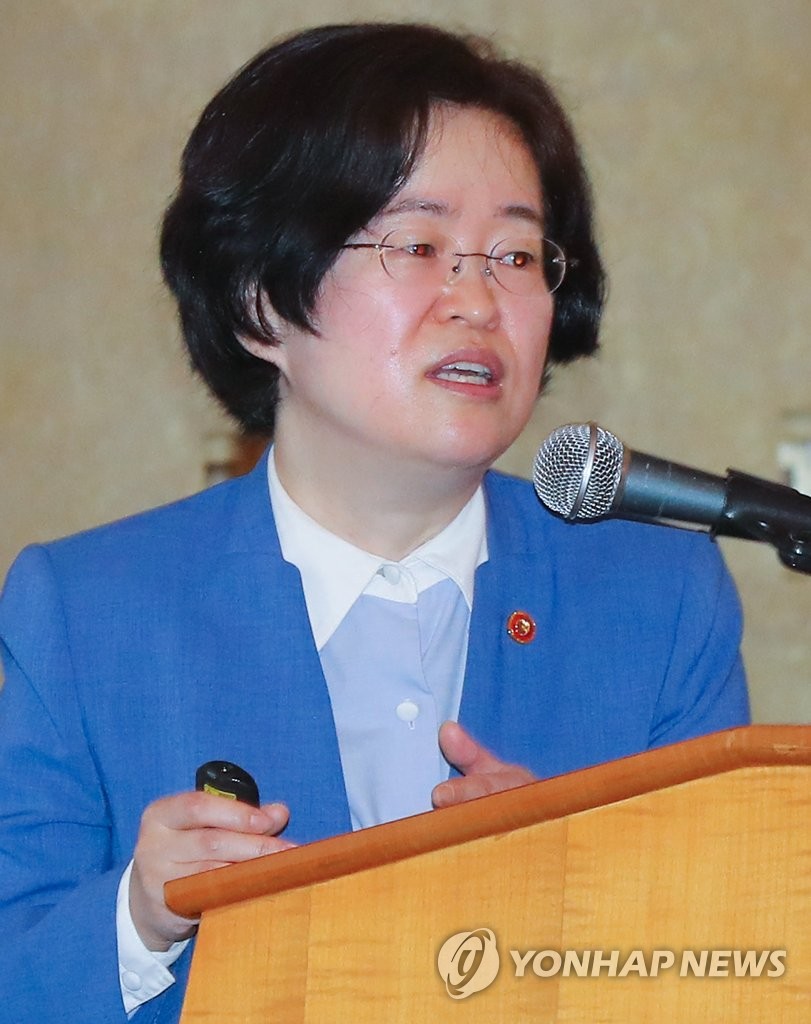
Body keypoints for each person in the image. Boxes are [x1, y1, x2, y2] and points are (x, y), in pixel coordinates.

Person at [0, 21, 749, 1023]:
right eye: (419, 244)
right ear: (261, 300)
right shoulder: (86, 611)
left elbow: (746, 966)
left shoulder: (658, 602)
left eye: (517, 252)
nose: (479, 297)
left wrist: (581, 892)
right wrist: (139, 917)